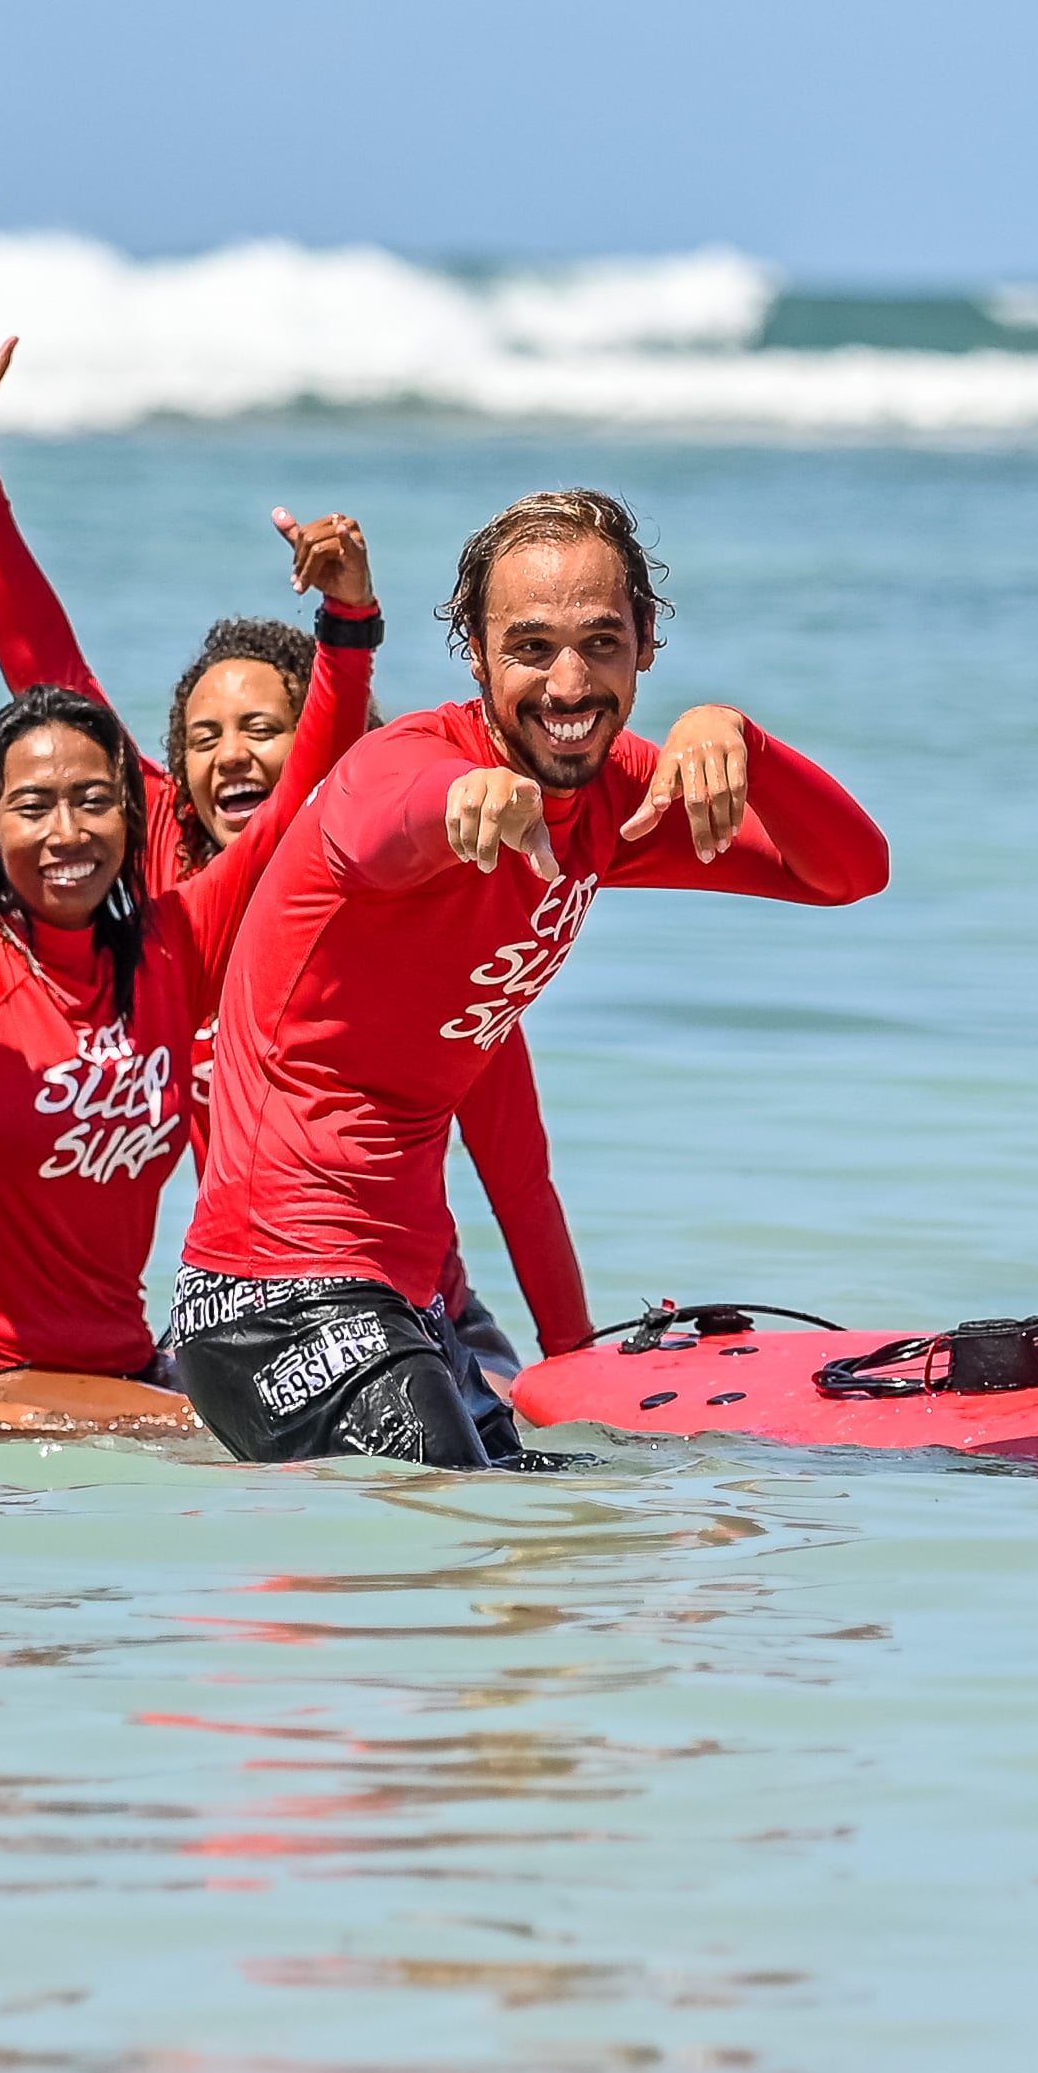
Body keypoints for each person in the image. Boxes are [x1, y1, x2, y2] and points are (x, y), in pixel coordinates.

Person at [0, 314, 594, 1366]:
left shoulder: (423, 914)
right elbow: (44, 668)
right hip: (256, 1307)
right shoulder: (160, 887)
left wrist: (577, 1360)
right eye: (201, 738)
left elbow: (516, 1160)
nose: (230, 757)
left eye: (263, 729)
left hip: (427, 1307)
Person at [170, 488, 890, 1466]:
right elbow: (381, 828)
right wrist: (462, 800)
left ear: (646, 646)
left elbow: (852, 871)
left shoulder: (613, 796)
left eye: (601, 642)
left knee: (594, 1521)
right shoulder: (403, 763)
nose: (567, 682)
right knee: (466, 1539)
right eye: (530, 645)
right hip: (272, 1299)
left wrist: (744, 741)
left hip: (410, 1305)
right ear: (474, 649)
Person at [0, 460, 383, 1423]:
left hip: (129, 1382)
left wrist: (347, 627)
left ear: (133, 816)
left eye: (92, 801)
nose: (66, 833)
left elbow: (302, 802)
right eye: (31, 806)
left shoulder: (174, 946)